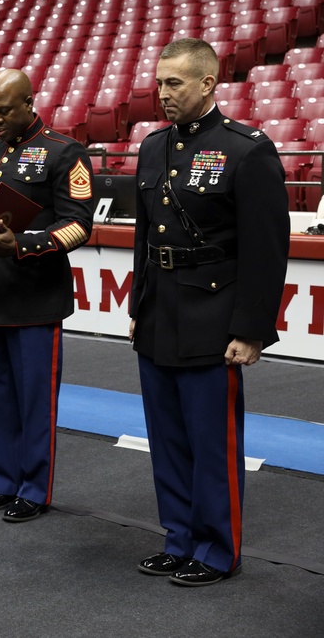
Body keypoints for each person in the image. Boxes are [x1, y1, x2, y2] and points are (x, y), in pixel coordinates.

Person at [130, 38, 290, 586]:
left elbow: (267, 250)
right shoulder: (153, 148)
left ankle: (217, 549)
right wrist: (138, 303)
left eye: (174, 83)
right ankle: (178, 539)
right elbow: (145, 238)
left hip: (212, 315)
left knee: (211, 443)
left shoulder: (247, 149)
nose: (163, 93)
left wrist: (251, 329)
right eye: (159, 83)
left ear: (206, 83)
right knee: (167, 438)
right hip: (158, 313)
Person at [0, 69, 94, 522]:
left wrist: (24, 244)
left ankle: (34, 488)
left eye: (5, 110)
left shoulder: (64, 152)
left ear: (30, 102)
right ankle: (2, 482)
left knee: (34, 400)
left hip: (35, 298)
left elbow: (79, 225)